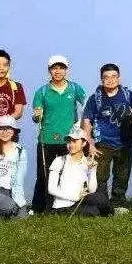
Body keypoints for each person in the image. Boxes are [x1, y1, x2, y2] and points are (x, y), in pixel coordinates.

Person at [31, 55, 87, 214]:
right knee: (44, 174)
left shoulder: (75, 88)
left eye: (61, 68)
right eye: (54, 68)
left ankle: (66, 205)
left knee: (69, 173)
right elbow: (36, 117)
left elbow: (87, 104)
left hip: (70, 140)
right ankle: (39, 208)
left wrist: (82, 124)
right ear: (49, 70)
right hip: (47, 139)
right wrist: (37, 115)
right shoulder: (42, 91)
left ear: (66, 70)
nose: (58, 71)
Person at [82, 63, 132, 211]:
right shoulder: (95, 98)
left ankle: (118, 204)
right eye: (106, 77)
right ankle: (102, 206)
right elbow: (87, 121)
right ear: (101, 79)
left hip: (125, 142)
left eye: (114, 76)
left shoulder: (128, 95)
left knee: (122, 175)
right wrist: (90, 144)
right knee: (100, 177)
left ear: (119, 78)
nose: (110, 80)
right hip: (102, 143)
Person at [48, 125, 113, 217]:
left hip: (80, 202)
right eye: (69, 141)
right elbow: (51, 189)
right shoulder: (59, 161)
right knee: (93, 211)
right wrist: (75, 197)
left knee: (101, 197)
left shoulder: (87, 162)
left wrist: (92, 170)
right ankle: (105, 214)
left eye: (74, 141)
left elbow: (92, 190)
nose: (71, 145)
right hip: (62, 206)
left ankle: (110, 213)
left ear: (84, 143)